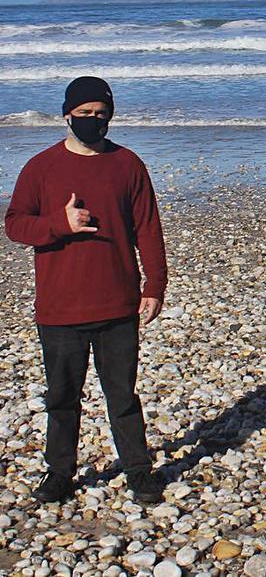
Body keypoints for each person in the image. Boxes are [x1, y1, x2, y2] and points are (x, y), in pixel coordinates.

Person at [4, 77, 168, 504]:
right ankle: (59, 472)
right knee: (62, 397)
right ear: (67, 115)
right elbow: (15, 224)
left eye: (102, 114)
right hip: (60, 309)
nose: (94, 121)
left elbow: (148, 228)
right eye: (85, 114)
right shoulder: (41, 167)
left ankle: (137, 469)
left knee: (123, 396)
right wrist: (60, 225)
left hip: (118, 304)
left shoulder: (128, 164)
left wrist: (155, 284)